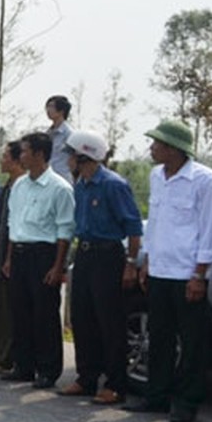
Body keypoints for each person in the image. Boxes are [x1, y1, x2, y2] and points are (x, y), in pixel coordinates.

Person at [125, 120, 212, 422]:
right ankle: (156, 396)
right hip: (159, 271)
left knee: (192, 341)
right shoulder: (158, 176)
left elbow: (210, 230)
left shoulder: (205, 180)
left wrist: (199, 275)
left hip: (187, 274)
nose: (152, 148)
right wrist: (147, 260)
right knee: (160, 337)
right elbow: (154, 223)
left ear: (173, 148)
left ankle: (186, 402)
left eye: (157, 144)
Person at [59, 130, 143, 406]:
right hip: (84, 254)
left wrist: (130, 263)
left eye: (71, 155)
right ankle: (86, 378)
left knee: (109, 322)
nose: (68, 160)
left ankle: (116, 384)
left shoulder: (113, 185)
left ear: (84, 156)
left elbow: (133, 228)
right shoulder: (81, 184)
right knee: (82, 319)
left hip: (108, 257)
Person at [1, 132, 75, 389]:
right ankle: (23, 366)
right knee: (20, 312)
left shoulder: (60, 188)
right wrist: (10, 258)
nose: (20, 156)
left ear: (40, 154)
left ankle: (48, 369)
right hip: (20, 253)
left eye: (24, 151)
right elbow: (14, 224)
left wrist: (58, 266)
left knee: (44, 315)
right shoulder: (19, 185)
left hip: (44, 255)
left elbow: (65, 231)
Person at [0, 141, 23, 373]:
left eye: (5, 156)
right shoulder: (5, 187)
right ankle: (0, 357)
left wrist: (9, 258)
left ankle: (10, 357)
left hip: (13, 255)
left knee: (11, 310)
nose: (1, 161)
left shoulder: (22, 187)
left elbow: (16, 226)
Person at [45, 95, 75, 182]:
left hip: (63, 177)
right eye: (47, 107)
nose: (48, 110)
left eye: (51, 107)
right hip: (48, 178)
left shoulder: (69, 134)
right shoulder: (48, 133)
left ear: (61, 111)